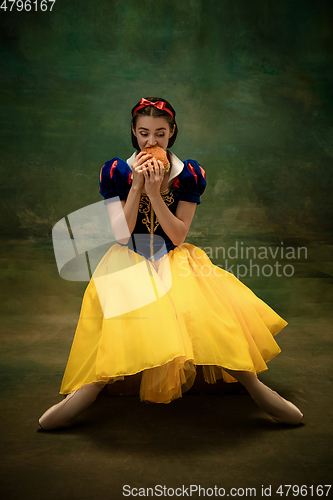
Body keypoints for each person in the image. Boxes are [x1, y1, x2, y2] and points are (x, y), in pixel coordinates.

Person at [39, 97, 303, 430]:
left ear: (172, 133)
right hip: (129, 259)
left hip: (173, 258)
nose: (152, 142)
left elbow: (177, 235)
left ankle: (254, 385)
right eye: (145, 133)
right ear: (134, 133)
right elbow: (121, 235)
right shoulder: (117, 171)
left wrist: (154, 192)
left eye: (160, 134)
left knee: (209, 315)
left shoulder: (187, 174)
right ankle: (88, 391)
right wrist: (137, 186)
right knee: (121, 321)